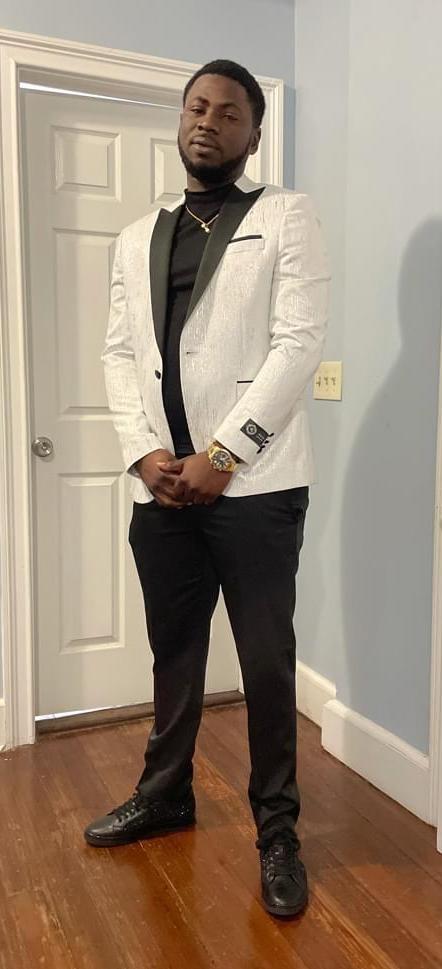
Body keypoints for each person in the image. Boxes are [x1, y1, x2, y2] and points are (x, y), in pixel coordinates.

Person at [84, 58, 330, 919]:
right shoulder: (135, 234)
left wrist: (225, 454)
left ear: (253, 135)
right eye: (197, 106)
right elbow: (120, 353)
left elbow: (299, 342)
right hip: (161, 489)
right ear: (179, 119)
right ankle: (166, 793)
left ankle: (278, 831)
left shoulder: (286, 215)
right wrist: (142, 453)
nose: (209, 121)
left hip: (256, 488)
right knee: (175, 652)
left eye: (230, 113)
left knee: (264, 661)